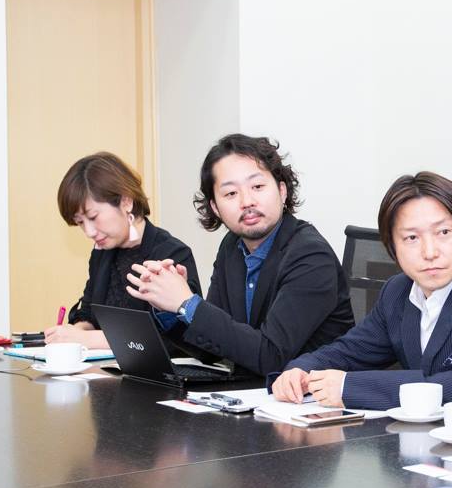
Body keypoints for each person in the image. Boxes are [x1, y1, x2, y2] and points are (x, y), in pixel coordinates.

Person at [271, 172, 452, 426]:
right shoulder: (398, 291)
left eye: (443, 233)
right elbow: (350, 351)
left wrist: (348, 388)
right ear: (392, 248)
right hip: (423, 441)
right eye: (412, 238)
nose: (430, 252)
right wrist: (303, 369)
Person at [126, 134, 354, 376]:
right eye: (231, 193)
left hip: (309, 393)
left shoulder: (311, 255)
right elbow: (213, 349)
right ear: (215, 207)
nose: (247, 201)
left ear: (282, 191)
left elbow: (271, 357)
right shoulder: (232, 246)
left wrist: (187, 303)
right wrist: (171, 308)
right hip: (252, 390)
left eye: (258, 187)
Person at [49, 152, 201, 350]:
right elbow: (88, 313)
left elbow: (171, 338)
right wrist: (73, 334)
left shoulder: (171, 254)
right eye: (80, 222)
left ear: (126, 202)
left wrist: (88, 339)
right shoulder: (102, 252)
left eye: (93, 217)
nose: (89, 232)